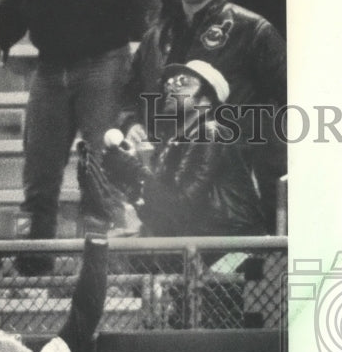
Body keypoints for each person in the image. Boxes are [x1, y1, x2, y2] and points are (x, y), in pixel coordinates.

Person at [0, 0, 148, 275]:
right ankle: (33, 273)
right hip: (50, 68)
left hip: (104, 62)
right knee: (38, 179)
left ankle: (112, 276)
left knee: (108, 173)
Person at [124, 0, 287, 232]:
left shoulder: (251, 29)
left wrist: (260, 148)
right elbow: (131, 94)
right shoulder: (156, 38)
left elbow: (291, 94)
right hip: (171, 171)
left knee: (227, 266)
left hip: (229, 174)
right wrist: (132, 122)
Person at [104, 59, 266, 237]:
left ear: (205, 99)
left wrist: (136, 171)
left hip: (231, 249)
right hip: (204, 245)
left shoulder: (210, 133)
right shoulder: (176, 143)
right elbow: (161, 216)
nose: (171, 87)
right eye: (169, 83)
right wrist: (127, 181)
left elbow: (182, 208)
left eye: (183, 81)